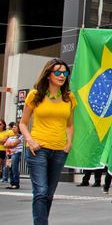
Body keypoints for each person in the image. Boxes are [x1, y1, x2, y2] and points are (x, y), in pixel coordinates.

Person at [19, 58, 76, 225]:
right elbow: (23, 123)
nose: (62, 75)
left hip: (60, 151)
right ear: (48, 74)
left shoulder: (69, 97)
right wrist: (30, 140)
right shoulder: (35, 95)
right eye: (57, 72)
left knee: (49, 193)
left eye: (65, 72)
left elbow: (70, 125)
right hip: (38, 149)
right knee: (41, 191)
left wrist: (69, 143)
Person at [4, 122, 24, 189]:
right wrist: (9, 144)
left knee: (14, 168)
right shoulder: (10, 137)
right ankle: (12, 183)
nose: (13, 128)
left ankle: (16, 183)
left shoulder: (20, 136)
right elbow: (5, 145)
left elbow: (14, 144)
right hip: (9, 154)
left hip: (16, 153)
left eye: (15, 127)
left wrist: (9, 144)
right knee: (10, 168)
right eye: (12, 127)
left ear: (18, 128)